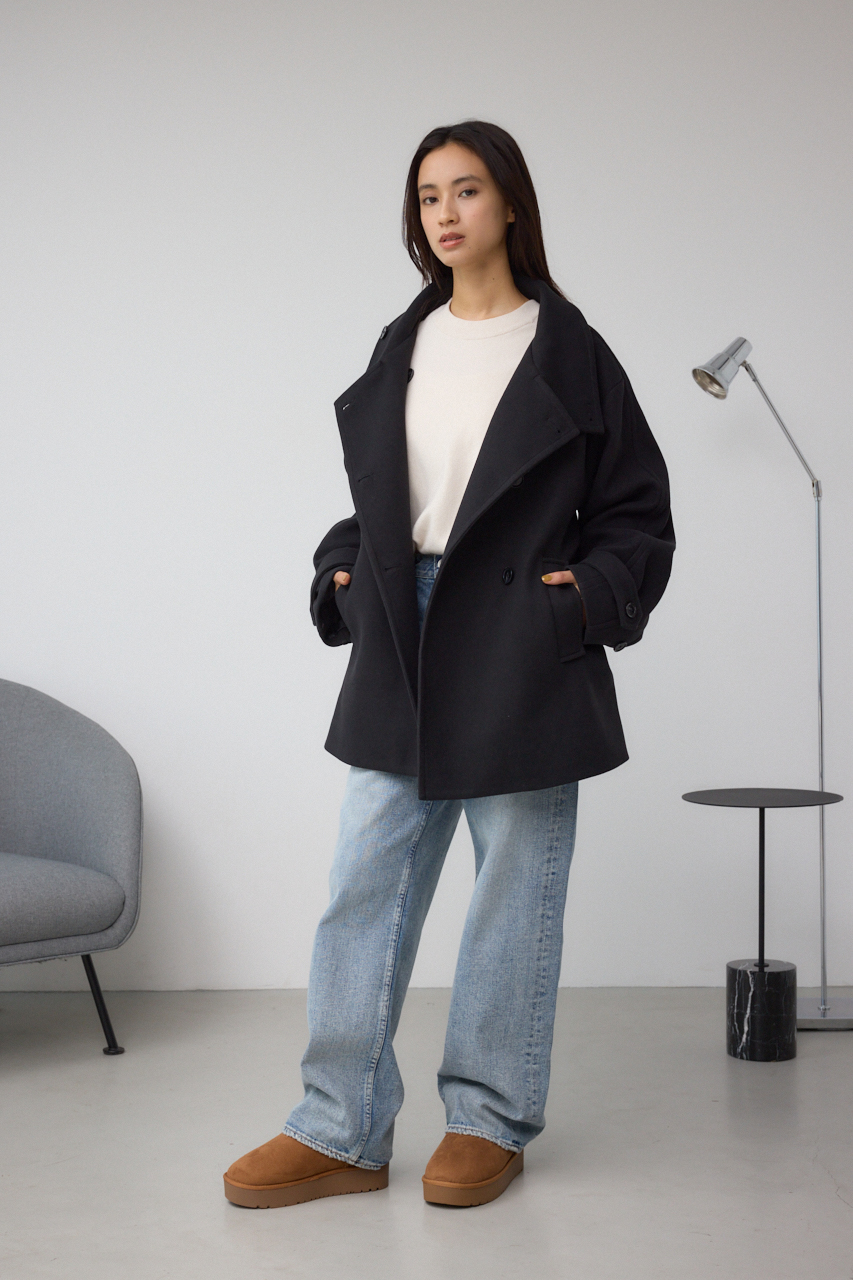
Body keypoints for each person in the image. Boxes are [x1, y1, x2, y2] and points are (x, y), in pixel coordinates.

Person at [224, 120, 675, 1210]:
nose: (444, 212)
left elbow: (637, 514)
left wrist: (581, 602)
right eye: (428, 195)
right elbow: (383, 501)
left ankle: (488, 1117)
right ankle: (339, 1126)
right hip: (404, 629)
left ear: (509, 203)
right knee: (363, 882)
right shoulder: (406, 342)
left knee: (512, 890)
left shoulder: (569, 351)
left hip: (518, 633)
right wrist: (341, 574)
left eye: (465, 189)